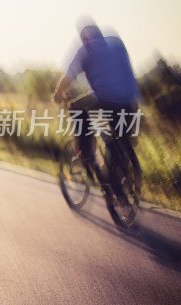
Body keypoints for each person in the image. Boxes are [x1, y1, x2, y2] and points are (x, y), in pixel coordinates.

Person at [52, 16, 141, 190]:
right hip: (131, 102)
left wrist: (57, 94)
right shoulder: (116, 42)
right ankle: (119, 188)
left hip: (105, 100)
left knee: (77, 108)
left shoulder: (85, 49)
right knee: (118, 141)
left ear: (82, 36)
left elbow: (67, 78)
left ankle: (86, 155)